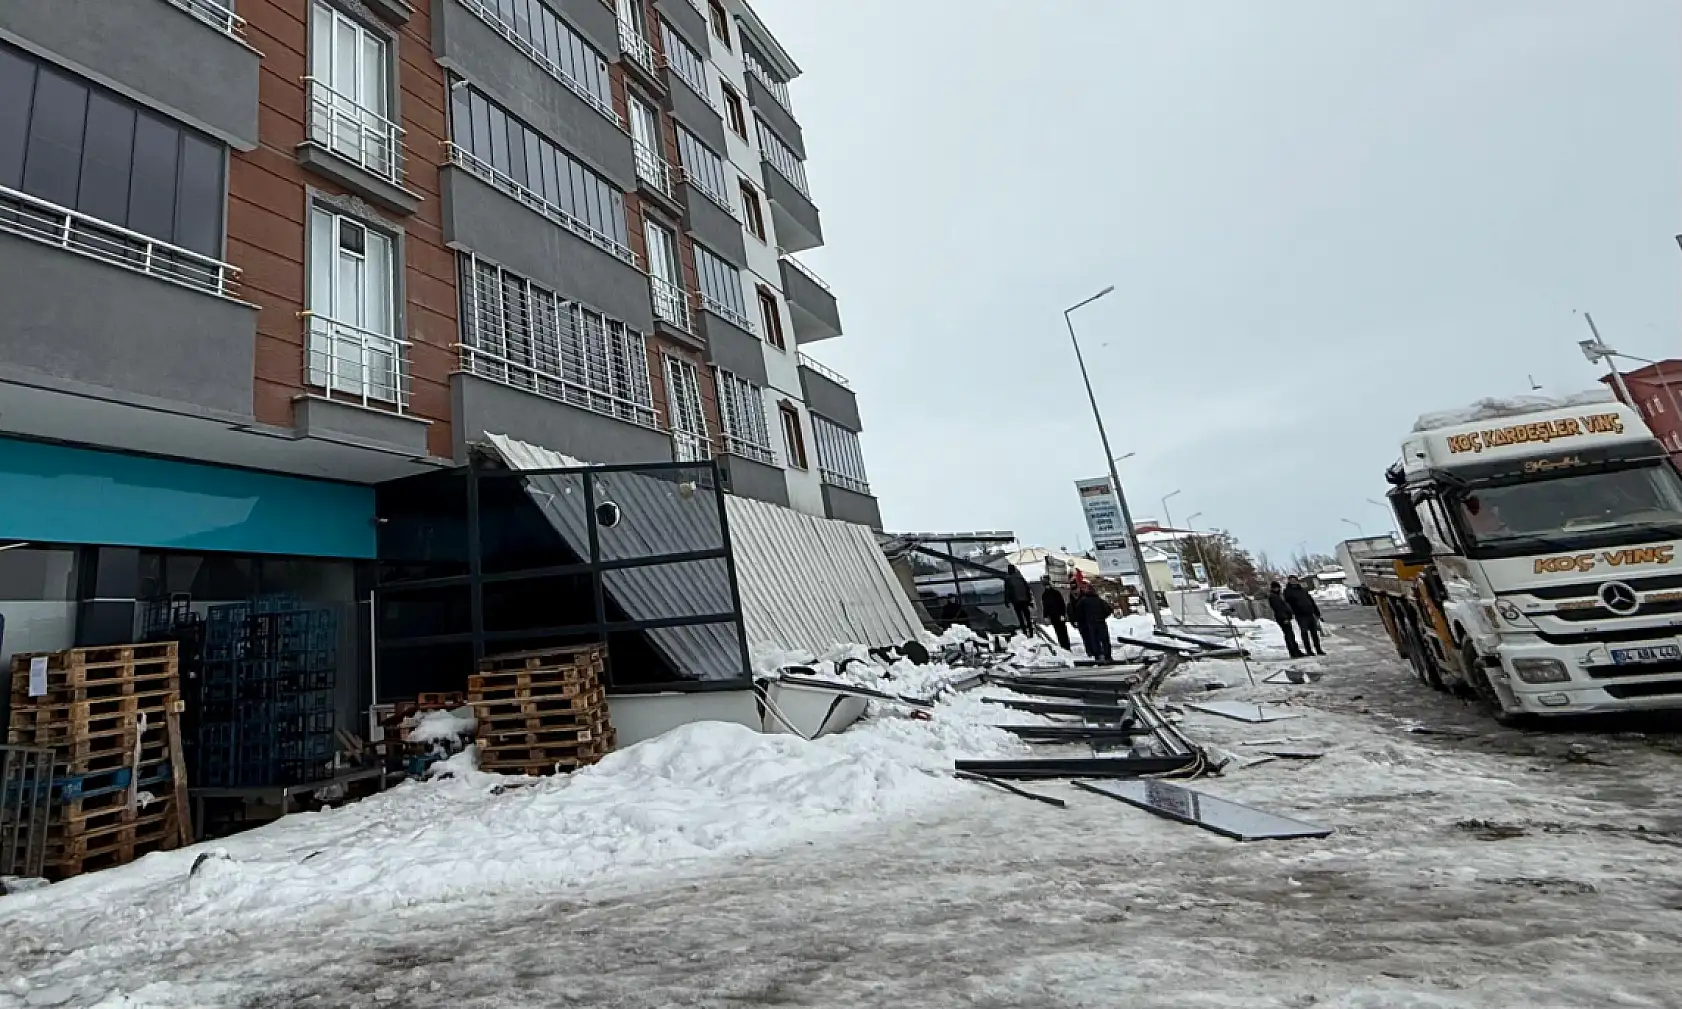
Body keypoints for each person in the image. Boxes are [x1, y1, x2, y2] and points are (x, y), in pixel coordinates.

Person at [1071, 584, 1114, 663]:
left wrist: (1081, 619)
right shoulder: (1099, 600)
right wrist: (1103, 616)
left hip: (1091, 623)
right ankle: (1107, 656)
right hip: (1101, 622)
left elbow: (1078, 613)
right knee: (1105, 640)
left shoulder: (1083, 601)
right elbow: (1108, 609)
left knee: (1094, 640)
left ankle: (1098, 656)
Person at [1283, 575, 1325, 656]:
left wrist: (1317, 612)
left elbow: (1311, 601)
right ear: (1289, 581)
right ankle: (1309, 650)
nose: (1293, 582)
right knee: (1304, 633)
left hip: (1309, 613)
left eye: (1294, 580)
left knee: (1314, 633)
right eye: (1291, 580)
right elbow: (1287, 604)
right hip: (1300, 615)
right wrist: (1291, 613)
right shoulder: (1288, 592)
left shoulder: (1302, 590)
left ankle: (1318, 649)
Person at [1267, 581, 1303, 658]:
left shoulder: (1278, 596)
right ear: (1273, 588)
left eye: (1278, 587)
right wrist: (1284, 618)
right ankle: (1293, 652)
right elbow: (1278, 609)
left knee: (1291, 635)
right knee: (1289, 635)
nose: (1277, 589)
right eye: (1275, 588)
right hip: (1282, 618)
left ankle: (1296, 651)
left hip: (1285, 617)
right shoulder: (1273, 597)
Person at [1041, 579, 1071, 650]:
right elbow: (1045, 606)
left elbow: (1061, 604)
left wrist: (1063, 614)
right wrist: (1045, 615)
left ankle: (1067, 645)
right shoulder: (1044, 595)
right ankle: (1062, 645)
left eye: (1047, 585)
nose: (1047, 587)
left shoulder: (1056, 593)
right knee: (1058, 631)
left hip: (1059, 614)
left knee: (1063, 631)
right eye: (1046, 586)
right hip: (1053, 616)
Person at [1003, 565, 1033, 634]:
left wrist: (1006, 601)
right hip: (1025, 600)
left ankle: (1024, 631)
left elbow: (1007, 591)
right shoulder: (1020, 578)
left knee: (1020, 617)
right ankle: (1031, 630)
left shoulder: (1008, 579)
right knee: (1027, 616)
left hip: (1016, 601)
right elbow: (1027, 588)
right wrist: (1029, 599)